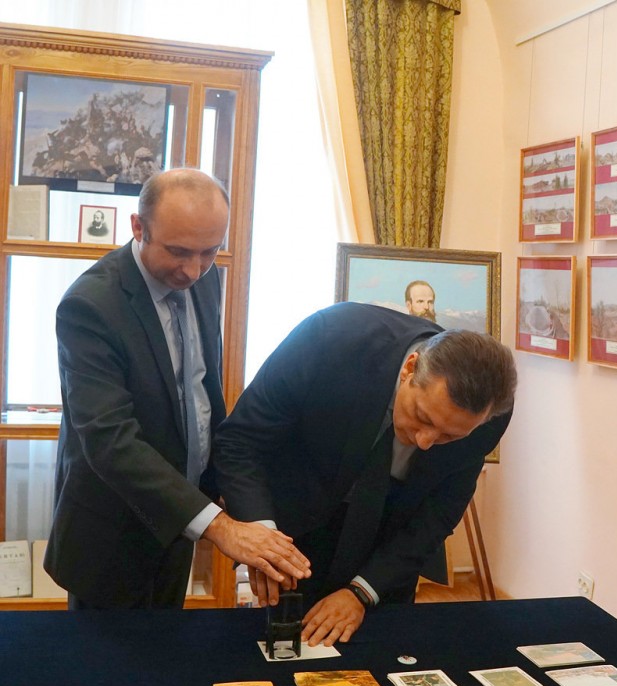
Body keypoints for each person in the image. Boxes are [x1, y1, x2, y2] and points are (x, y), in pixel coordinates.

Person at [45, 168, 310, 610]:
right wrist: (220, 527)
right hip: (112, 533)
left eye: (209, 251)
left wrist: (223, 494)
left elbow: (202, 393)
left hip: (182, 522)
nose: (193, 270)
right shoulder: (90, 306)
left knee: (168, 644)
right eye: (179, 252)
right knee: (107, 653)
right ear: (138, 227)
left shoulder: (206, 280)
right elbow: (110, 441)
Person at [212, 302, 516, 645]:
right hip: (294, 525)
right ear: (410, 368)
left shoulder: (490, 417)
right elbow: (240, 441)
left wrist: (362, 592)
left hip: (387, 549)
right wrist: (264, 538)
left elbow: (438, 514)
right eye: (423, 417)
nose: (426, 441)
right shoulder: (330, 339)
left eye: (450, 436)